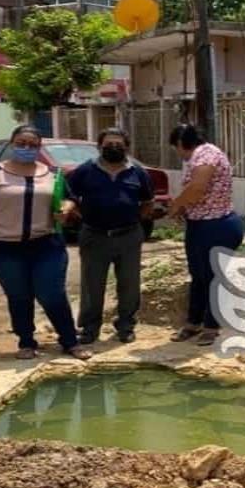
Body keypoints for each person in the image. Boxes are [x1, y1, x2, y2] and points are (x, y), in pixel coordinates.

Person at [0, 125, 92, 361]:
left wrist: (66, 208)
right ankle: (26, 342)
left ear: (39, 147)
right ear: (11, 144)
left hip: (45, 245)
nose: (26, 148)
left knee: (52, 294)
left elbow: (69, 199)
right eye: (21, 143)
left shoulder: (53, 174)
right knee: (19, 295)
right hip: (3, 247)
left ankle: (69, 341)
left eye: (32, 145)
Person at [62, 128, 154, 345]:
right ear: (99, 147)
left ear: (126, 148)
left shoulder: (138, 173)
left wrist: (134, 221)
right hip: (94, 235)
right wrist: (71, 210)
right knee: (92, 285)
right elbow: (71, 196)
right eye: (108, 145)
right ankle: (89, 328)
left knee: (129, 285)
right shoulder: (85, 171)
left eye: (118, 145)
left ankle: (126, 326)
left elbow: (147, 202)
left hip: (129, 236)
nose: (113, 148)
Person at [167, 123, 245, 347]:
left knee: (213, 278)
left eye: (176, 149)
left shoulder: (206, 155)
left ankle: (212, 326)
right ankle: (194, 322)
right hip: (200, 224)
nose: (178, 155)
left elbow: (198, 188)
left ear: (181, 144)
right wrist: (183, 208)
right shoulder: (200, 156)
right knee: (199, 277)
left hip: (217, 225)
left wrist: (176, 205)